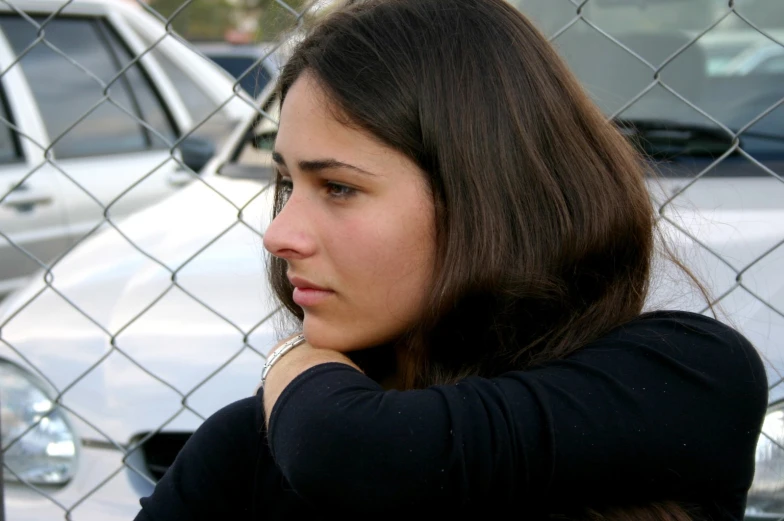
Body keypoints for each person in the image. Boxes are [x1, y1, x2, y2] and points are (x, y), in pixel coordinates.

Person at [134, 0, 768, 520]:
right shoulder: (253, 447)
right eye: (287, 184)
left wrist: (293, 359)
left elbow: (360, 454)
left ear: (486, 197)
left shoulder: (680, 378)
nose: (278, 234)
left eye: (339, 187)